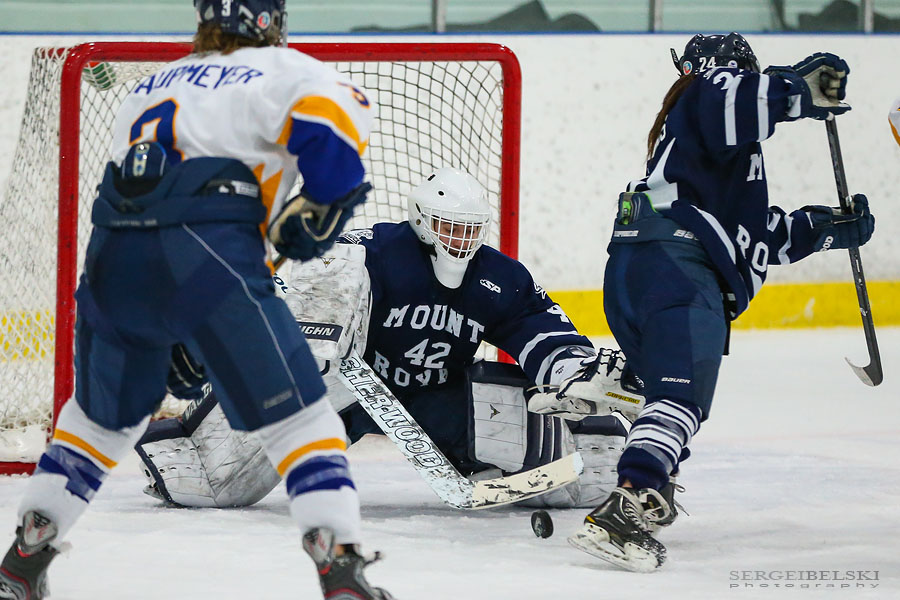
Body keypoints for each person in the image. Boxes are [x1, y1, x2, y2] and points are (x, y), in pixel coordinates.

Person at [0, 2, 394, 599]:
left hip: (113, 257)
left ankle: (22, 561)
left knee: (98, 422)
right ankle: (339, 566)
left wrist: (179, 322)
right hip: (209, 250)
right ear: (271, 19)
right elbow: (334, 148)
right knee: (302, 419)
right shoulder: (286, 70)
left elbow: (148, 203)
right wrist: (321, 206)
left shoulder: (153, 83)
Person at [134, 168, 647, 512]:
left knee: (580, 465)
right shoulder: (378, 251)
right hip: (355, 389)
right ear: (422, 219)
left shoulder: (500, 276)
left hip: (434, 397)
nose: (460, 241)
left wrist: (573, 371)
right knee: (216, 482)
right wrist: (314, 346)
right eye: (449, 226)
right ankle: (190, 448)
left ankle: (605, 461)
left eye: (470, 229)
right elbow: (325, 280)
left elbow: (538, 325)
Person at [566, 33, 876, 572]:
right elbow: (735, 98)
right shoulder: (709, 95)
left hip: (640, 269)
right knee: (681, 400)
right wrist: (799, 89)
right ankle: (627, 501)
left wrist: (826, 229)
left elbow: (755, 235)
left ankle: (636, 414)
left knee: (668, 393)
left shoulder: (706, 149)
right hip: (679, 275)